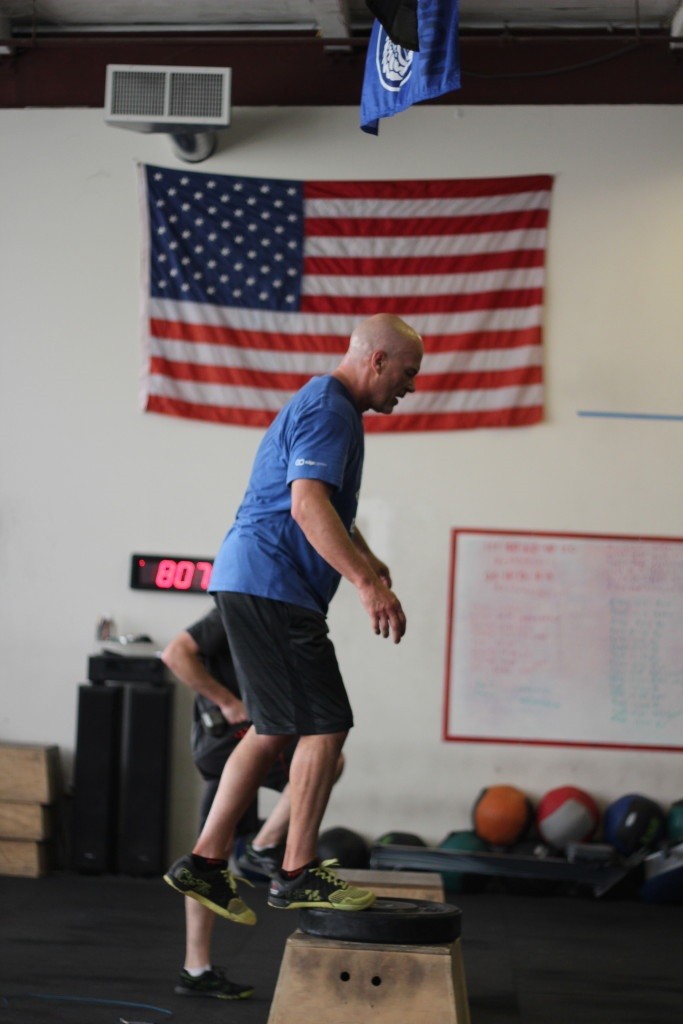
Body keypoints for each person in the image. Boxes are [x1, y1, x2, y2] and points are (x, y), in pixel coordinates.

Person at [164, 312, 423, 924]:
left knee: (275, 727)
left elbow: (317, 498)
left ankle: (204, 862)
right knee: (327, 725)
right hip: (273, 585)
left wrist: (366, 556)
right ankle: (296, 871)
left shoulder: (324, 404)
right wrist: (366, 584)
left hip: (251, 580)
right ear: (376, 360)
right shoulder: (332, 408)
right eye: (407, 373)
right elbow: (307, 506)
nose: (411, 387)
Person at [161, 607, 345, 1000]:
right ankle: (197, 967)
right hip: (231, 740)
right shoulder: (235, 608)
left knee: (329, 763)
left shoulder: (278, 613)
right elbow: (175, 653)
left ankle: (261, 844)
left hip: (256, 740)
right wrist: (227, 703)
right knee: (209, 856)